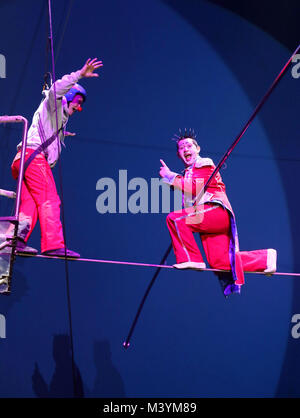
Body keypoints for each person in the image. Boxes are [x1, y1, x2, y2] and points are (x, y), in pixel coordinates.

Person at [159, 130, 277, 297]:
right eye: (181, 147)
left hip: (216, 211)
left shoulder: (204, 163)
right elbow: (187, 197)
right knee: (220, 263)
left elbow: (196, 187)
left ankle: (191, 258)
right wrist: (173, 180)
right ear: (179, 154)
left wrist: (170, 176)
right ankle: (266, 259)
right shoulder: (187, 174)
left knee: (175, 218)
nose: (185, 149)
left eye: (189, 145)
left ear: (197, 148)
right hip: (207, 220)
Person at [10, 57, 103, 258]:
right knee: (49, 199)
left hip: (22, 159)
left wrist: (60, 137)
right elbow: (55, 90)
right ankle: (53, 244)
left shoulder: (57, 119)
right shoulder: (53, 104)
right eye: (77, 102)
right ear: (68, 97)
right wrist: (79, 74)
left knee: (30, 203)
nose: (79, 108)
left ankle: (16, 240)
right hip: (33, 158)